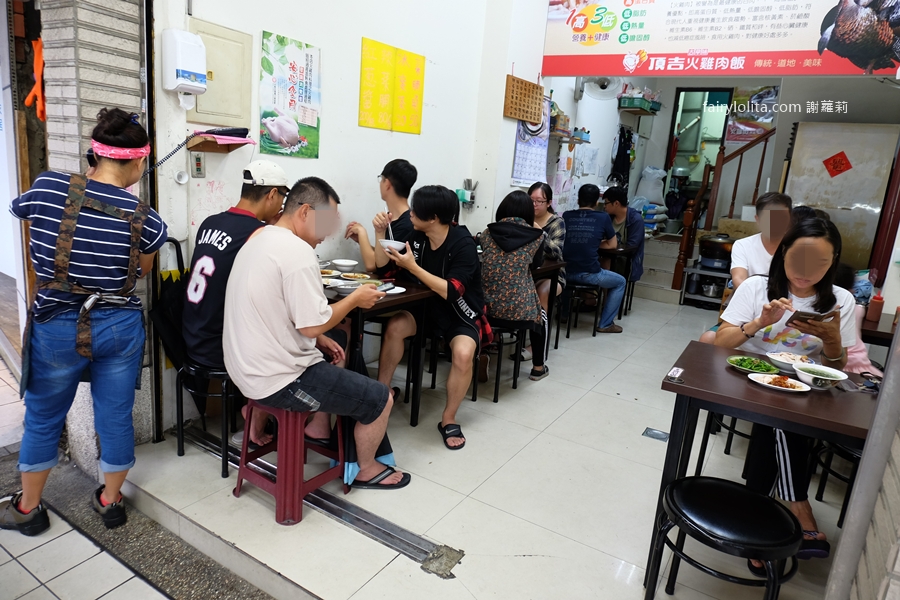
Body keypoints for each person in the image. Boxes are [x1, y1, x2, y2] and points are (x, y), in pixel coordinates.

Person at [2, 108, 168, 535]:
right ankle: (110, 502)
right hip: (119, 325)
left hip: (56, 322)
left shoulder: (48, 186)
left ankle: (29, 509)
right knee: (114, 416)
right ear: (136, 161)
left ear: (94, 154)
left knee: (42, 418)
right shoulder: (147, 219)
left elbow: (24, 216)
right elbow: (141, 273)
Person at [223, 177, 410, 490]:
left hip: (243, 370)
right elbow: (310, 325)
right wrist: (354, 299)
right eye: (325, 222)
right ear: (305, 211)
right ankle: (366, 469)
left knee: (335, 341)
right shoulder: (297, 252)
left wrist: (319, 336)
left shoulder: (259, 236)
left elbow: (283, 315)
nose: (327, 234)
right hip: (278, 380)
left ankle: (319, 424)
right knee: (381, 397)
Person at [716, 218, 856, 568]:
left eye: (819, 263)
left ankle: (756, 514)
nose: (806, 272)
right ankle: (797, 506)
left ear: (833, 261)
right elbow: (721, 343)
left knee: (782, 410)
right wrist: (759, 323)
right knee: (778, 409)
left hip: (805, 387)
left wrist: (833, 340)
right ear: (783, 254)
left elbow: (836, 368)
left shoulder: (841, 301)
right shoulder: (756, 287)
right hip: (747, 377)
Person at [182, 160, 289, 447]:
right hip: (220, 347)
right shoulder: (257, 234)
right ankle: (255, 422)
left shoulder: (210, 222)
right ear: (272, 195)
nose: (281, 206)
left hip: (191, 339)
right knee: (290, 344)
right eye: (282, 198)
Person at [376, 185, 489, 450]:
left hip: (460, 311)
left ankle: (448, 418)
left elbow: (453, 291)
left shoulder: (463, 244)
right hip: (425, 308)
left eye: (417, 210)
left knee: (463, 355)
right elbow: (383, 266)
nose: (410, 213)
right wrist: (380, 232)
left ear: (434, 218)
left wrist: (413, 267)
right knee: (395, 326)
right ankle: (381, 395)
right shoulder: (416, 235)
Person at [698, 192, 793, 344]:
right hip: (750, 309)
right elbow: (739, 279)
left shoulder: (796, 247)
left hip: (788, 310)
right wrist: (761, 306)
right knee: (707, 338)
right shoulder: (743, 245)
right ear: (758, 220)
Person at [481, 191, 549, 381]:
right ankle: (538, 367)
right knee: (540, 317)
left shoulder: (487, 233)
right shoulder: (536, 237)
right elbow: (536, 265)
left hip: (487, 309)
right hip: (519, 311)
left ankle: (483, 352)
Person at [561, 184, 626, 334]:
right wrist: (595, 243)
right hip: (588, 274)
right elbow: (612, 244)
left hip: (565, 272)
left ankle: (564, 315)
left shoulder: (566, 215)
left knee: (566, 276)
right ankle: (605, 323)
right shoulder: (602, 217)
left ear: (578, 200)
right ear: (597, 202)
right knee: (620, 282)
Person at [518, 181, 565, 361]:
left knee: (542, 291)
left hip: (553, 275)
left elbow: (557, 252)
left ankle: (537, 345)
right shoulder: (522, 219)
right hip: (526, 272)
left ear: (549, 203)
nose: (535, 205)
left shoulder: (556, 222)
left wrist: (539, 232)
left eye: (540, 201)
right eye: (531, 200)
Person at [345, 159, 418, 271]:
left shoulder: (407, 224)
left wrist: (362, 233)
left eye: (381, 179)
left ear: (387, 184)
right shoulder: (394, 218)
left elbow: (374, 265)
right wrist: (362, 242)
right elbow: (384, 256)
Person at [834, 262, 883, 376]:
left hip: (839, 364)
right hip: (862, 365)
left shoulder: (825, 308)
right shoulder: (858, 309)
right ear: (851, 289)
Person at [602, 186, 645, 282]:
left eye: (606, 203)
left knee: (606, 264)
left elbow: (632, 247)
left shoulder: (635, 219)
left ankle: (607, 296)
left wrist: (609, 246)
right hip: (608, 255)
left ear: (616, 203)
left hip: (625, 260)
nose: (604, 206)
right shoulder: (607, 217)